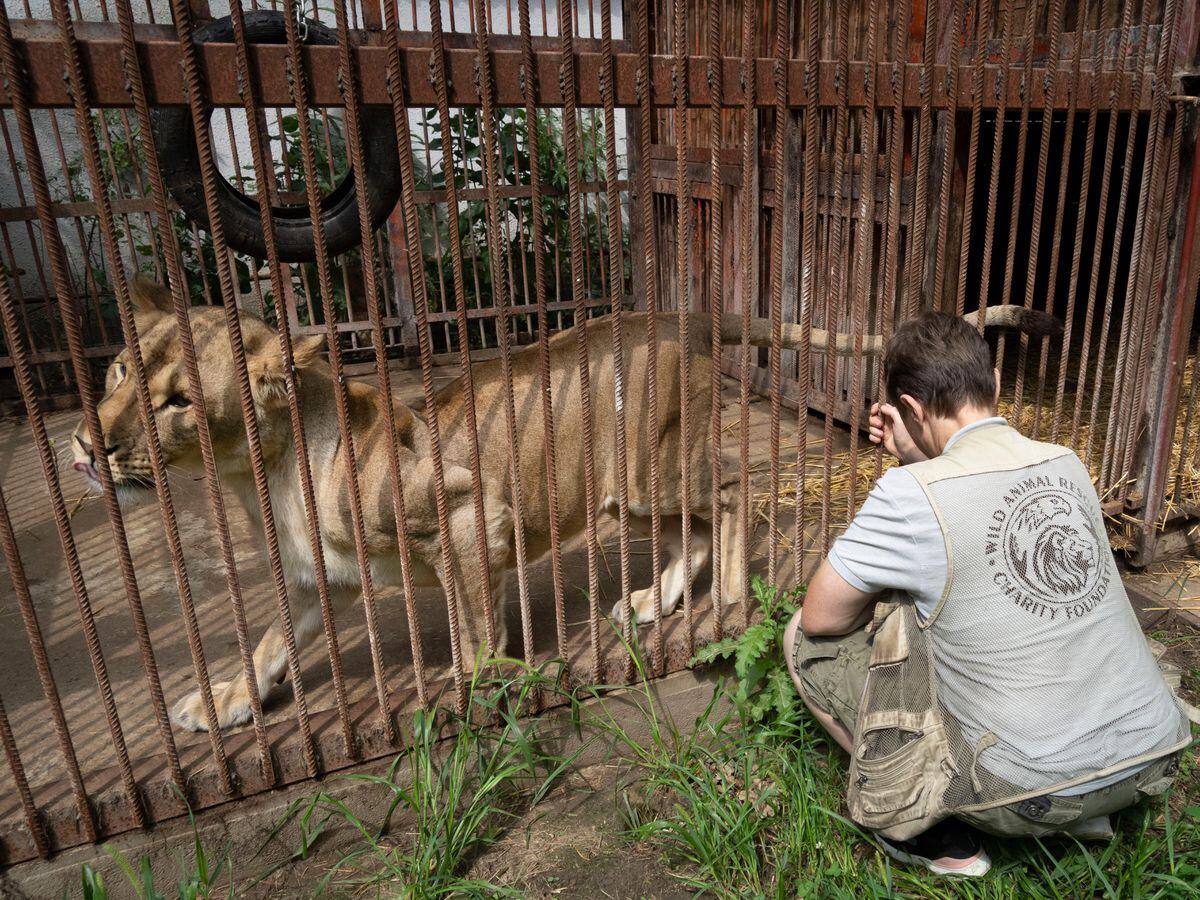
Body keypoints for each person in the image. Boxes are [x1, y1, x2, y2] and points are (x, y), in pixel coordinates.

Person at [782, 312, 1192, 877]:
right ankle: (1086, 811)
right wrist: (917, 454)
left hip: (1021, 793)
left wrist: (908, 465)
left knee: (806, 641)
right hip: (1153, 760)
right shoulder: (1067, 463)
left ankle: (932, 831)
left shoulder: (908, 494)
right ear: (996, 383)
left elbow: (822, 617)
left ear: (913, 410)